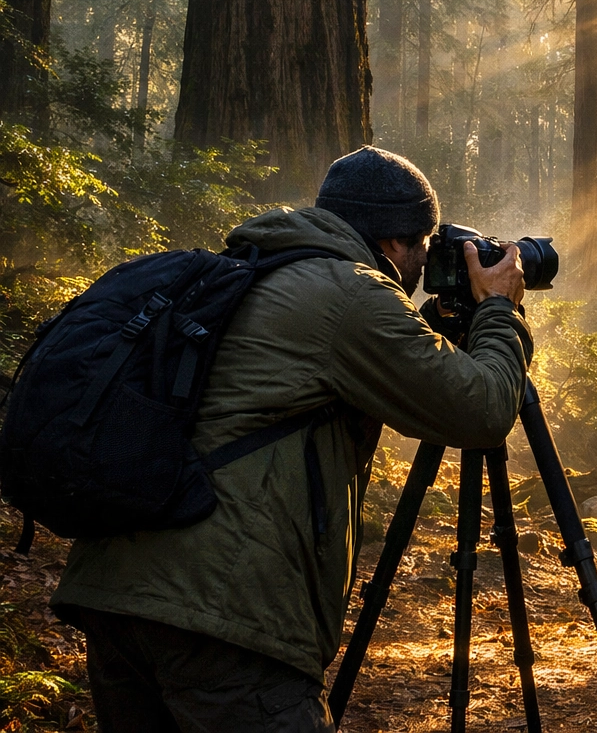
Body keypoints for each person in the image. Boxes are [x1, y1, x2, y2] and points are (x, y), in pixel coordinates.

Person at [51, 146, 530, 733]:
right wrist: (500, 309)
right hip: (222, 611)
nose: (423, 265)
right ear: (393, 245)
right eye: (423, 248)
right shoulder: (350, 293)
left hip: (117, 593)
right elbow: (480, 408)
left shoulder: (255, 268)